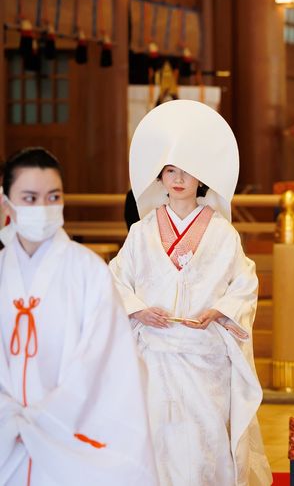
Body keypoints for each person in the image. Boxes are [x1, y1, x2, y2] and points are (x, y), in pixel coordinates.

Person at [109, 99, 272, 486]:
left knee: (205, 444)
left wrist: (221, 310)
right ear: (160, 177)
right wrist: (137, 309)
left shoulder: (222, 232)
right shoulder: (141, 231)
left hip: (206, 357)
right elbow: (115, 280)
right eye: (170, 170)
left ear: (202, 178)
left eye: (187, 171)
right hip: (155, 355)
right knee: (157, 441)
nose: (178, 179)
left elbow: (244, 282)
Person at [0, 147, 157, 486]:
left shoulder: (88, 271)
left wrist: (46, 416)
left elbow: (104, 360)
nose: (43, 207)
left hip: (69, 434)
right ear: (6, 203)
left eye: (53, 197)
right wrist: (9, 417)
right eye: (30, 198)